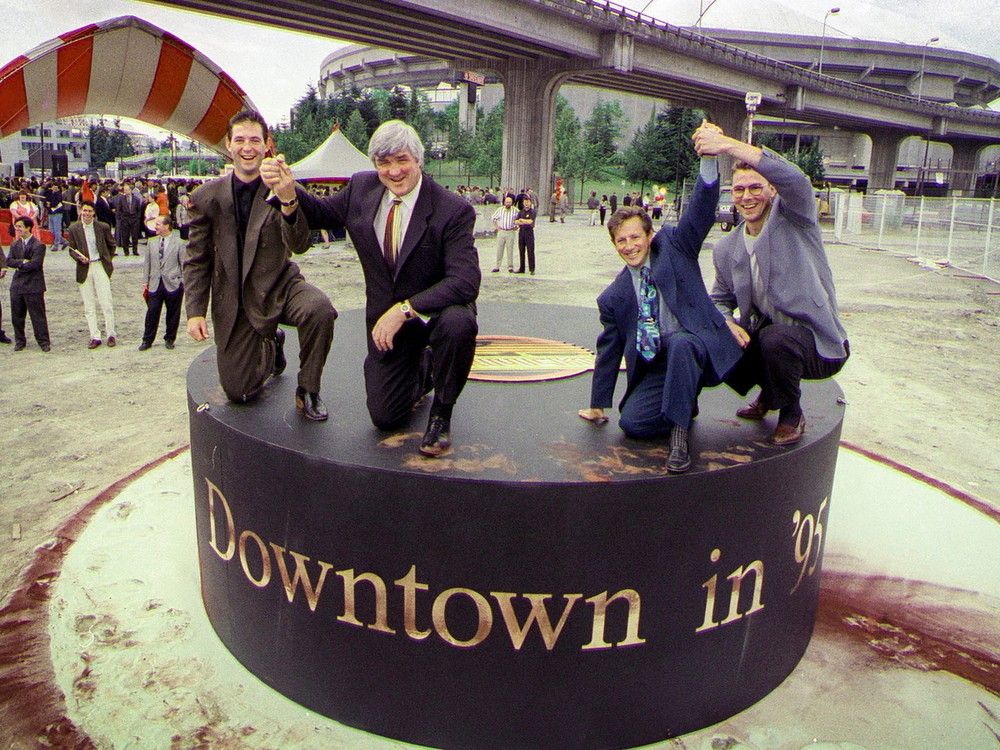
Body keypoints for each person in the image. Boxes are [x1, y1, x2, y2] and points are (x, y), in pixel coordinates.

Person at [261, 119, 480, 456]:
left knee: (458, 323)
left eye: (402, 160)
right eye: (384, 162)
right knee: (385, 417)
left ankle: (441, 413)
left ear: (419, 160)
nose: (393, 171)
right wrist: (289, 193)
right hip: (385, 321)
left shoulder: (452, 210)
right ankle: (424, 371)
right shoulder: (362, 188)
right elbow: (319, 214)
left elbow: (465, 282)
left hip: (434, 314)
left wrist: (406, 309)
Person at [578, 129, 741, 474]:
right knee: (633, 424)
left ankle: (679, 441)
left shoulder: (676, 247)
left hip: (697, 348)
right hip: (658, 365)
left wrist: (709, 160)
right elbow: (608, 349)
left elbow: (700, 210)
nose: (629, 246)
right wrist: (597, 404)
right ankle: (682, 404)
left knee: (681, 343)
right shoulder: (613, 298)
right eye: (621, 241)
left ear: (650, 236)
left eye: (635, 237)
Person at [694, 123, 850, 446]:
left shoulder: (795, 217)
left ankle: (791, 413)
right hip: (772, 341)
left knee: (775, 338)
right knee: (720, 334)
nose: (747, 196)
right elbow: (719, 299)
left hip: (819, 346)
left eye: (755, 187)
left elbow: (796, 179)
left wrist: (724, 144)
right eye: (739, 190)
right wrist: (724, 322)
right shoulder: (726, 249)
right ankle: (768, 391)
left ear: (772, 190)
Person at [184, 109, 336, 421]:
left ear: (267, 145)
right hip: (235, 300)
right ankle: (272, 346)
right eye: (240, 140)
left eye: (255, 140)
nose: (247, 147)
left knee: (319, 309)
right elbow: (197, 259)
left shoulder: (284, 184)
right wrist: (195, 311)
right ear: (229, 145)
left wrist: (288, 199)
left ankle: (308, 389)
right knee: (239, 392)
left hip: (280, 286)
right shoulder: (205, 198)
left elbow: (300, 245)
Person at [67, 201, 118, 349]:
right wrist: (79, 258)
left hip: (100, 265)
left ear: (94, 213)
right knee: (89, 304)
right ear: (80, 211)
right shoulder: (74, 228)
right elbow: (71, 249)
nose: (87, 214)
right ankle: (95, 336)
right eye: (84, 211)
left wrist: (107, 258)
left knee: (106, 302)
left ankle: (111, 334)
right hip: (84, 268)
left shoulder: (103, 227)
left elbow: (112, 244)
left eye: (90, 211)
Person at [139, 214, 184, 351]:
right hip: (154, 284)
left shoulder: (180, 243)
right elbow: (147, 264)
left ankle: (170, 338)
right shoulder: (151, 242)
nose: (155, 226)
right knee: (152, 312)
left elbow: (184, 265)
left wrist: (181, 282)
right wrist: (145, 282)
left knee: (173, 313)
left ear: (166, 226)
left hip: (173, 284)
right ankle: (147, 340)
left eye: (158, 224)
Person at [5, 217, 50, 352]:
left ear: (28, 228)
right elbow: (9, 261)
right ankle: (20, 341)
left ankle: (43, 341)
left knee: (37, 316)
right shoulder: (15, 245)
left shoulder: (39, 245)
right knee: (17, 315)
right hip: (17, 285)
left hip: (34, 285)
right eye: (16, 226)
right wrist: (23, 262)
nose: (17, 229)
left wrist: (19, 264)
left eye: (20, 226)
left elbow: (35, 264)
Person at [491, 194, 518, 273]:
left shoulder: (515, 210)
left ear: (512, 203)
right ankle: (497, 266)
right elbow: (493, 218)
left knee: (510, 249)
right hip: (501, 231)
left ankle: (510, 266)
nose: (508, 204)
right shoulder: (500, 210)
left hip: (510, 231)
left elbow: (519, 219)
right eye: (507, 202)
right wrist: (496, 227)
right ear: (504, 202)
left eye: (510, 202)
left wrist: (517, 226)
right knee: (499, 249)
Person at [514, 196, 537, 275]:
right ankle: (522, 268)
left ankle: (532, 269)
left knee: (530, 251)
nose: (526, 204)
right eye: (525, 202)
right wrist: (522, 221)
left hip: (529, 233)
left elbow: (530, 221)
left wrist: (522, 220)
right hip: (521, 232)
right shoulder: (521, 212)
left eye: (528, 202)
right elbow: (516, 222)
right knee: (521, 251)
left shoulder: (532, 212)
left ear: (530, 203)